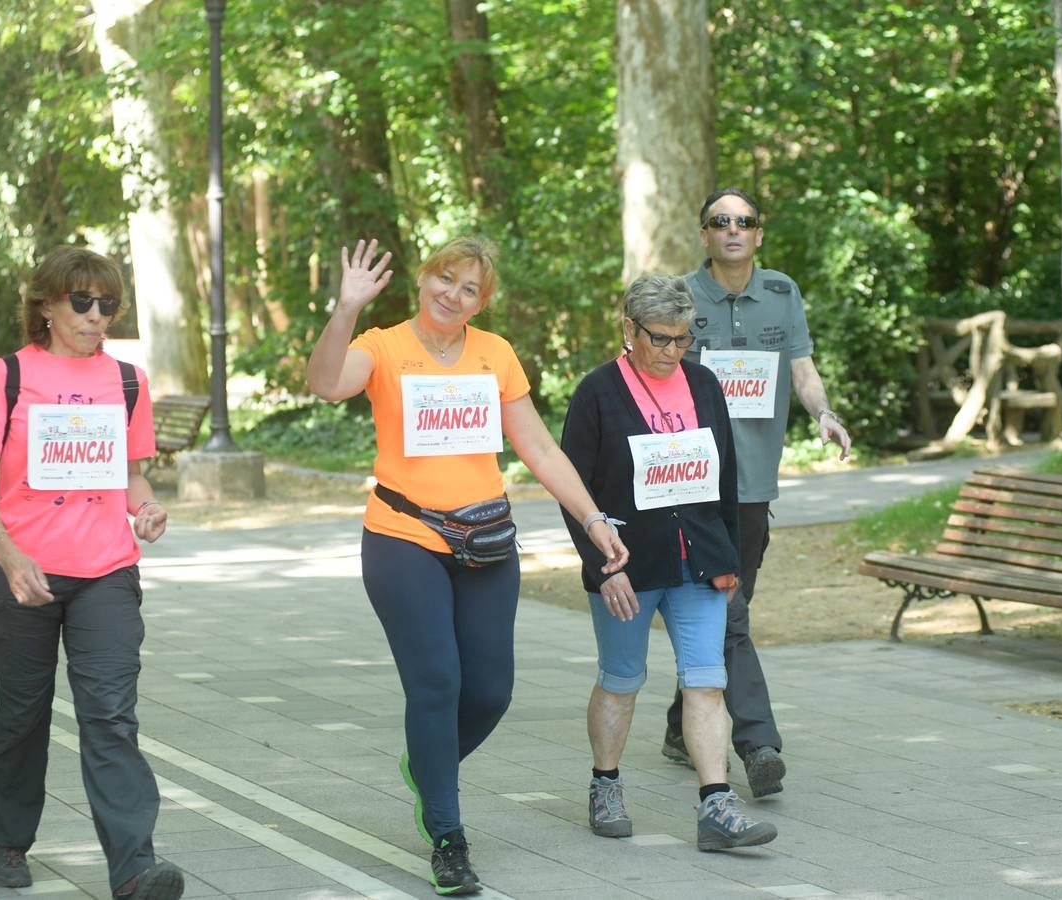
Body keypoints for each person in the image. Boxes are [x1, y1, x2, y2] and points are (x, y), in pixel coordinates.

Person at [307, 236, 629, 895]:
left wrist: (594, 519)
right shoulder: (384, 345)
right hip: (404, 537)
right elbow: (325, 384)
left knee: (490, 691)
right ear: (423, 279)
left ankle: (427, 765)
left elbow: (537, 445)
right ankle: (449, 839)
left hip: (486, 540)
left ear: (483, 301)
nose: (452, 294)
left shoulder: (494, 355)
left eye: (469, 288)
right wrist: (344, 309)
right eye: (444, 279)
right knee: (435, 684)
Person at [0, 246, 184, 899]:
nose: (94, 315)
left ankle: (135, 865)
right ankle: (7, 840)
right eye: (81, 301)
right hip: (20, 575)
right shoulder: (6, 377)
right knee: (23, 716)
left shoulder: (128, 381)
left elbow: (131, 474)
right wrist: (8, 550)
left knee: (111, 716)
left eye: (106, 304)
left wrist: (146, 508)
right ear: (48, 305)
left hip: (107, 573)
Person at [559, 274, 778, 852]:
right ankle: (605, 784)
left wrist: (727, 556)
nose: (674, 351)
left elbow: (724, 478)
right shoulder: (598, 392)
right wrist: (603, 567)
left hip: (700, 563)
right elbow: (571, 489)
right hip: (628, 565)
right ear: (628, 330)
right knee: (622, 680)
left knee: (707, 683)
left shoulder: (705, 385)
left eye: (683, 339)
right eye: (661, 339)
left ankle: (717, 807)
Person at [663, 187, 852, 798]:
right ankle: (757, 743)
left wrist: (823, 413)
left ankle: (678, 724)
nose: (733, 230)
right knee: (729, 613)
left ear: (759, 234)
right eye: (721, 222)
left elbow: (801, 366)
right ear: (705, 234)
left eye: (744, 222)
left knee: (724, 610)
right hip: (694, 486)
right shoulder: (680, 298)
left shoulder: (781, 292)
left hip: (753, 487)